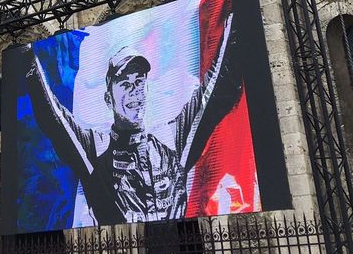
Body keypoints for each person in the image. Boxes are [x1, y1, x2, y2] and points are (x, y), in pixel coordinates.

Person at [22, 13, 241, 224]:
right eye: (125, 84)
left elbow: (217, 91)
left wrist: (238, 17)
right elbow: (53, 117)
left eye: (139, 82)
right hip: (120, 252)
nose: (134, 91)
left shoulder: (172, 140)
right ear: (109, 98)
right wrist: (25, 59)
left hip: (176, 242)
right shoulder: (95, 148)